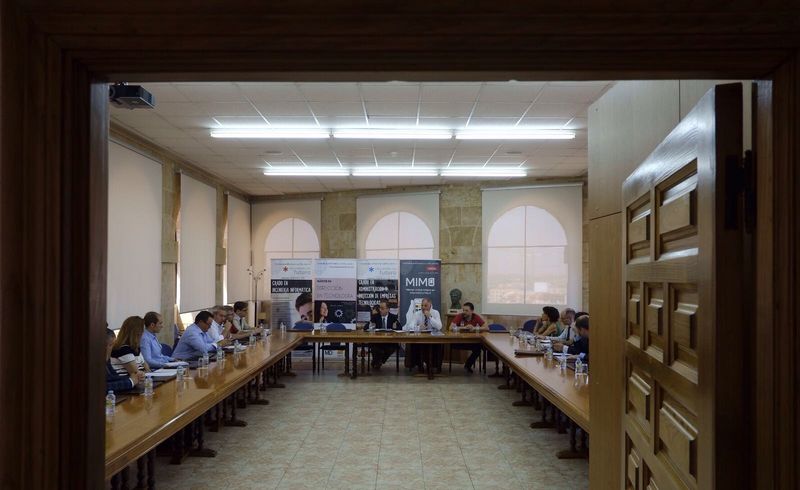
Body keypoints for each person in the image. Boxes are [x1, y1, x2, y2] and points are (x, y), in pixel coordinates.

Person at [403, 298, 443, 372]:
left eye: (425, 305)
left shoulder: (435, 313)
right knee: (415, 345)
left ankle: (432, 365)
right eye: (422, 305)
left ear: (430, 305)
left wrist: (430, 317)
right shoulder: (417, 314)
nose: (423, 307)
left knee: (437, 346)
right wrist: (418, 327)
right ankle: (419, 365)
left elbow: (439, 326)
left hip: (432, 338)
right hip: (420, 338)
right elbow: (410, 326)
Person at [449, 302, 486, 373]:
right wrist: (463, 328)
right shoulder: (460, 316)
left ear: (472, 311)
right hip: (459, 342)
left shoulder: (476, 317)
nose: (464, 312)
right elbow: (450, 328)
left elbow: (486, 328)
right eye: (463, 310)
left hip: (471, 342)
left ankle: (468, 365)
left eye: (466, 310)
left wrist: (474, 328)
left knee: (479, 348)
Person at [106, 328, 144, 393]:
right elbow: (104, 387)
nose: (112, 348)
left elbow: (112, 377)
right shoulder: (92, 362)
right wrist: (131, 382)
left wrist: (132, 378)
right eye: (111, 345)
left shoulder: (106, 360)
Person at [369, 300, 400, 369]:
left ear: (388, 309)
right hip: (377, 341)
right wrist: (371, 326)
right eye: (380, 308)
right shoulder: (375, 316)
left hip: (389, 341)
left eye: (382, 308)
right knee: (374, 347)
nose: (380, 310)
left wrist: (395, 327)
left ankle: (379, 361)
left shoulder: (393, 317)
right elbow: (366, 327)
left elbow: (400, 328)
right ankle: (377, 361)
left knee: (392, 347)